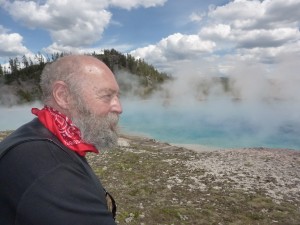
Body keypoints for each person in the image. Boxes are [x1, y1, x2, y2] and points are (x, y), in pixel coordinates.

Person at [0, 55, 122, 225]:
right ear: (63, 96)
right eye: (107, 96)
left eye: (117, 96)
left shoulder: (39, 134)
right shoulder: (48, 169)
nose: (119, 107)